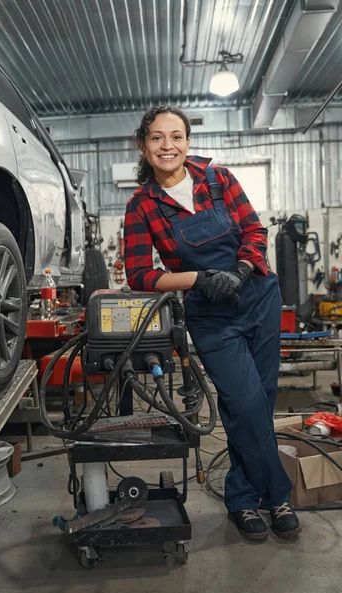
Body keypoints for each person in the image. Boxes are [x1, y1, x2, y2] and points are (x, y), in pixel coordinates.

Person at [124, 105, 301, 541]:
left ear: (187, 141)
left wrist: (240, 270)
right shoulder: (142, 205)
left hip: (258, 297)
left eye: (177, 136)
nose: (168, 146)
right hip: (210, 314)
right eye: (157, 138)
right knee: (242, 402)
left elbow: (255, 233)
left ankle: (242, 500)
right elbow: (139, 274)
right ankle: (277, 494)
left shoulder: (218, 179)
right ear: (144, 146)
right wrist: (198, 279)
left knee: (261, 402)